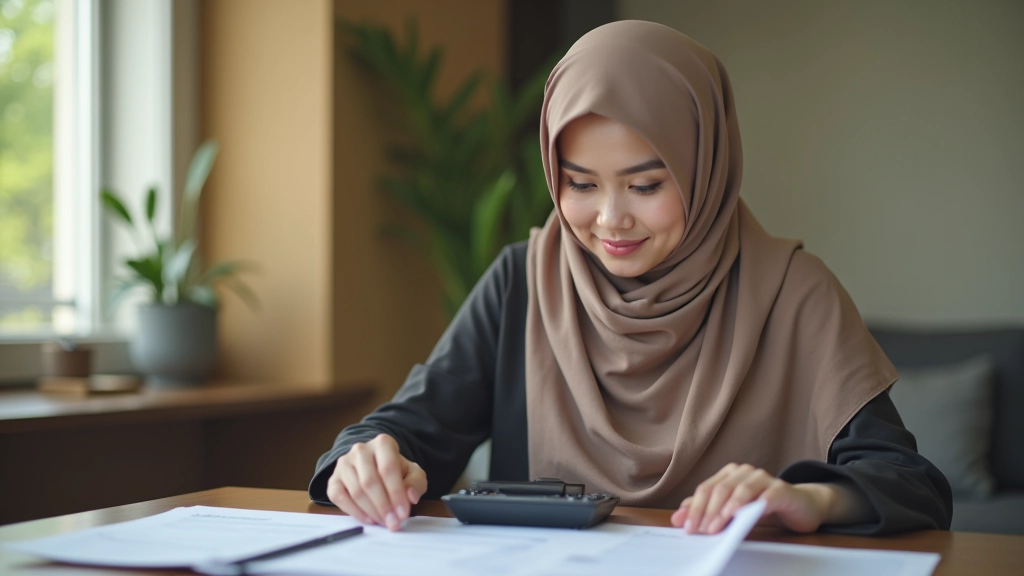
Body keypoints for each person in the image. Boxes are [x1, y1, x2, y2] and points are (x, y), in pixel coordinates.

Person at [309, 20, 952, 536]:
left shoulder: (794, 290)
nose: (611, 220)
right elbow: (409, 429)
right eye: (580, 184)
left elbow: (907, 481)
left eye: (646, 184)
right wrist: (367, 459)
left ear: (707, 168)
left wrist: (807, 498)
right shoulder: (523, 282)